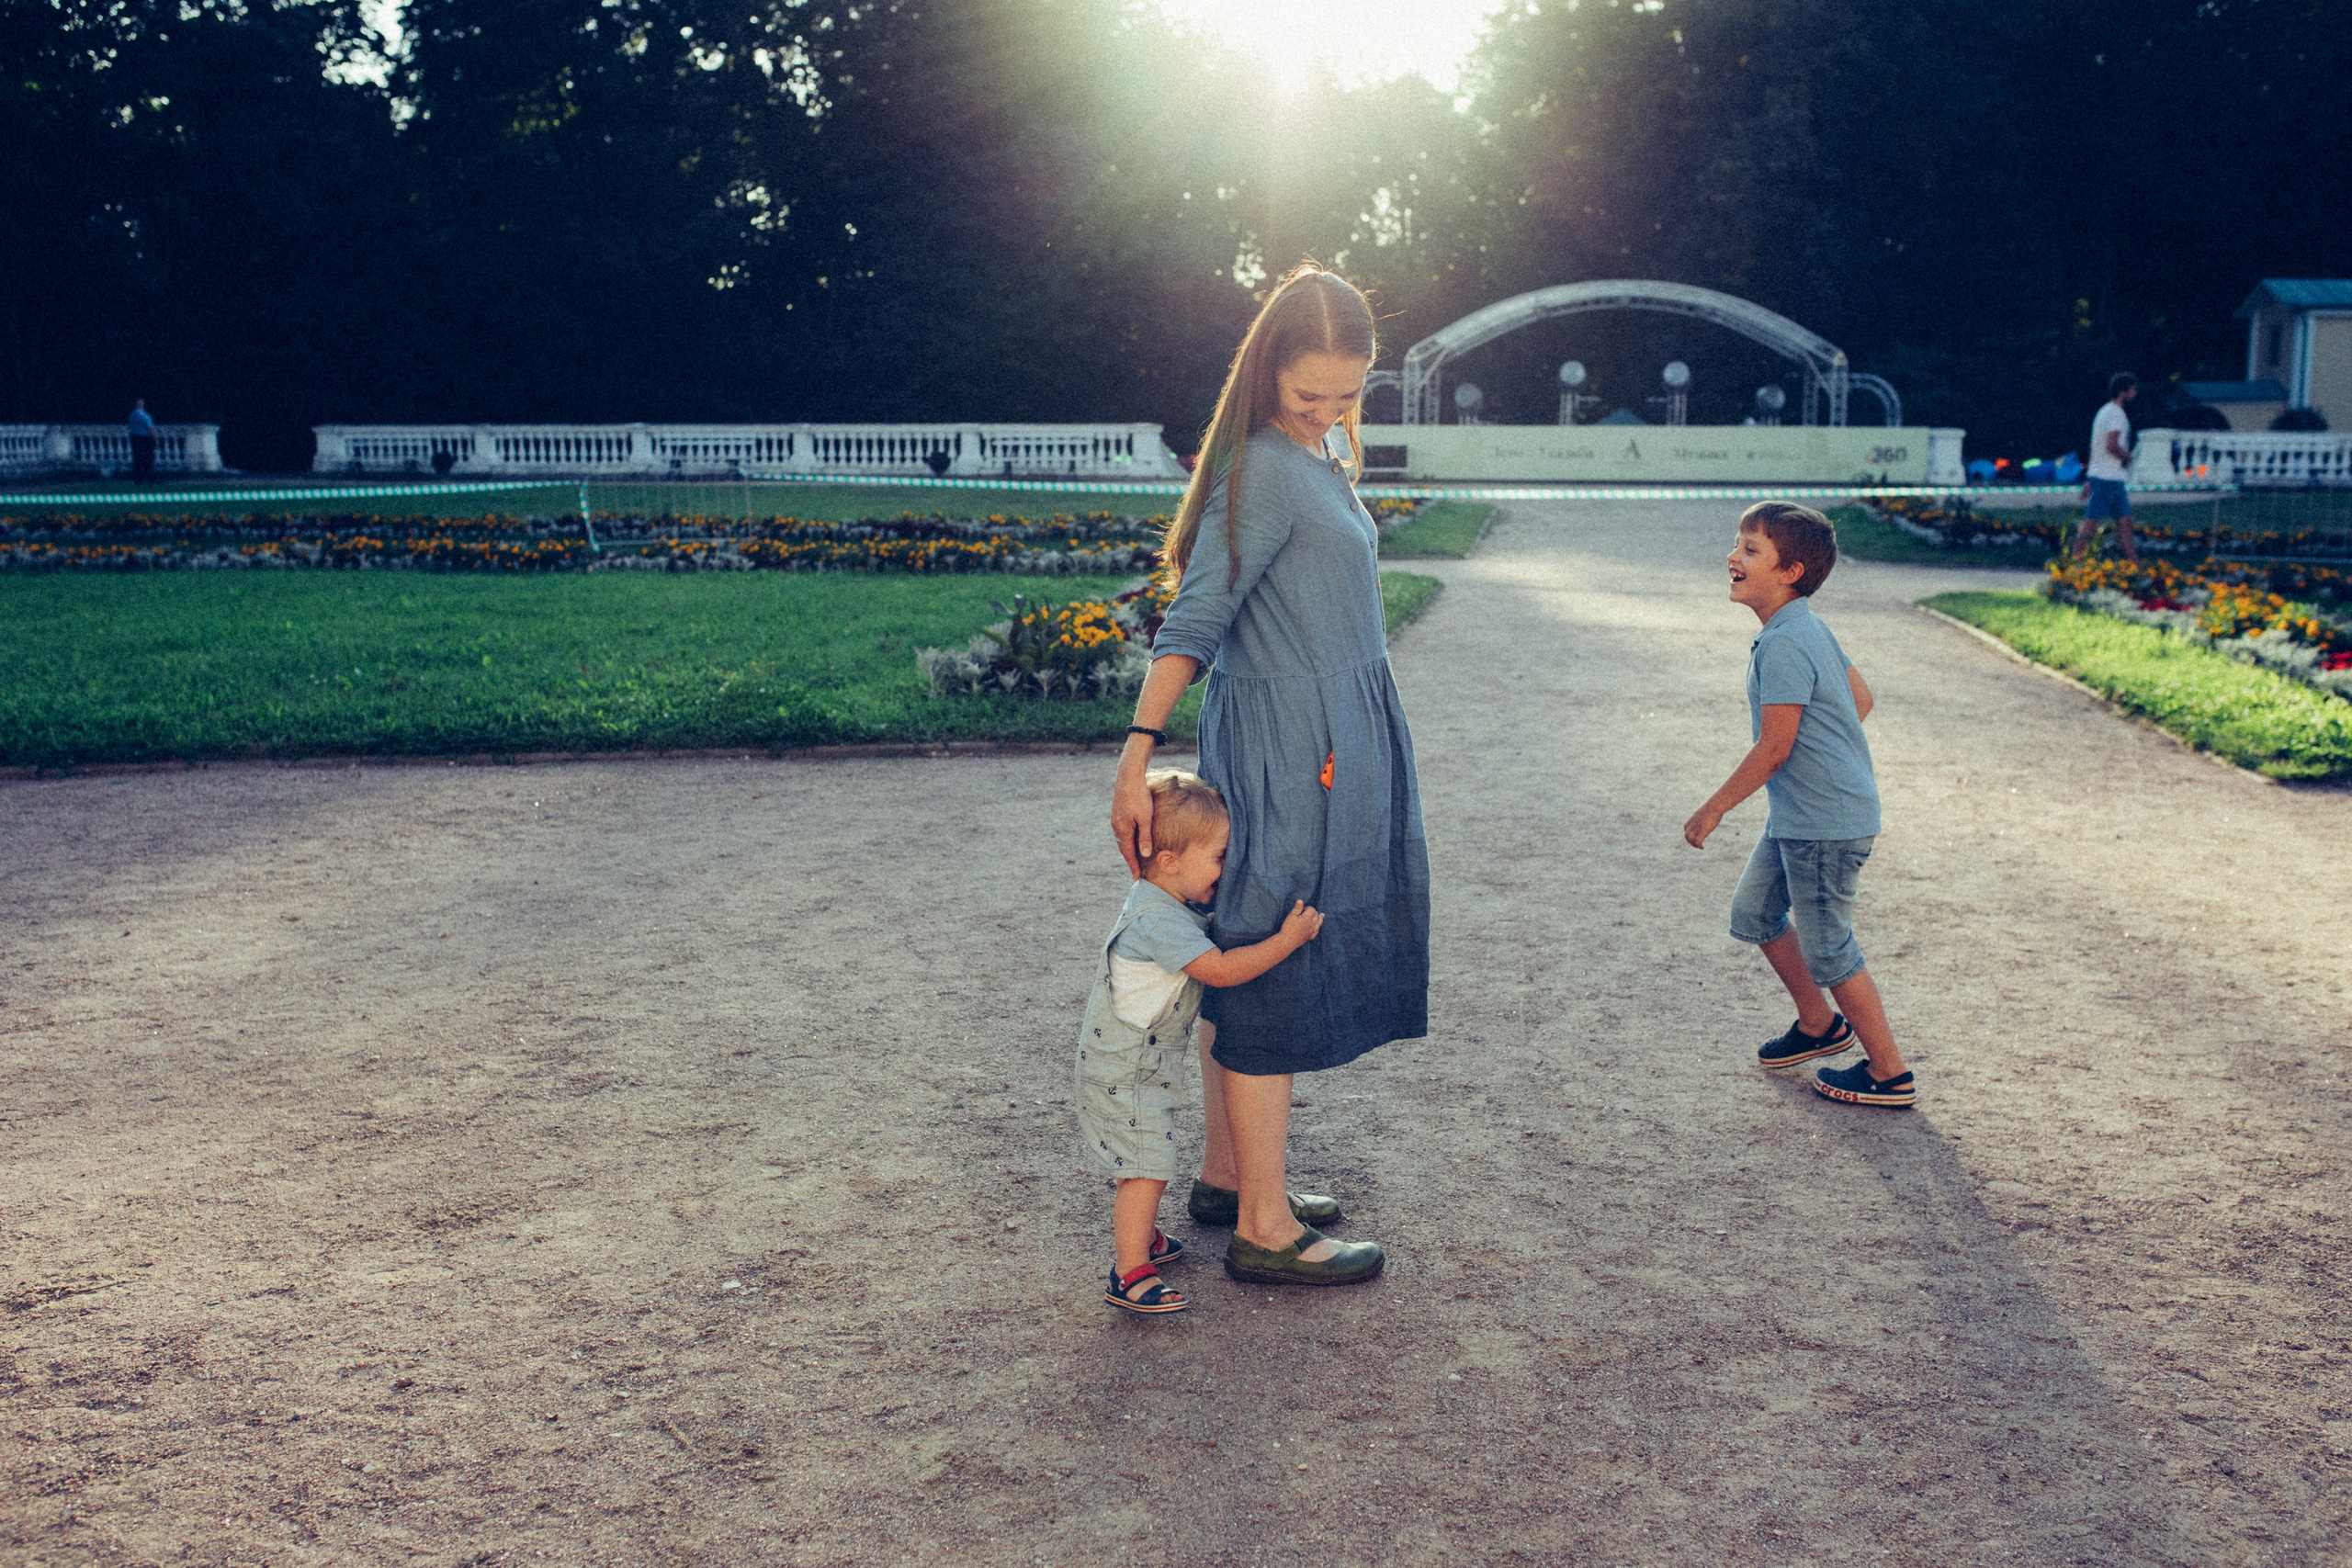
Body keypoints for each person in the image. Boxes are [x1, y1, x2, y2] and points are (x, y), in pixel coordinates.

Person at [1110, 262, 1425, 1289]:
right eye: (1309, 397)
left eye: (1348, 395)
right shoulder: (1259, 469)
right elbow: (1195, 616)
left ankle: (1224, 1174)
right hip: (1294, 744)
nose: (1331, 414)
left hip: (1322, 729)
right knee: (1273, 952)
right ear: (1266, 377)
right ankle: (1262, 1225)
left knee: (1258, 938)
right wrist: (1136, 750)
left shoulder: (1308, 456)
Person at [1682, 502, 1915, 1109]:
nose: (1733, 557)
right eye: (1737, 545)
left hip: (1824, 824)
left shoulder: (1787, 642)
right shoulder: (1803, 626)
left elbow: (1776, 746)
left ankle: (1890, 1072)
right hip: (1806, 817)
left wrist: (1715, 807)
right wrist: (1830, 754)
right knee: (1754, 911)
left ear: (1791, 571)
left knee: (1829, 946)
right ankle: (1820, 1023)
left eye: (1750, 549)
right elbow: (1858, 698)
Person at [1080, 771, 1327, 1314]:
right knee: (1146, 1164)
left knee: (1149, 1156)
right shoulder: (1158, 923)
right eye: (1217, 857)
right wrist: (1287, 939)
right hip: (1127, 1073)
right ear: (1170, 861)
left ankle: (1142, 1238)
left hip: (1133, 1065)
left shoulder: (1161, 902)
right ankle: (1129, 1272)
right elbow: (1219, 970)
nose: (1224, 868)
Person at [2073, 373, 2139, 562]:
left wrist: (2089, 477)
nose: (2135, 393)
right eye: (2132, 389)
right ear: (2123, 391)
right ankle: (2075, 563)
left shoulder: (2104, 412)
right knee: (2091, 524)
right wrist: (2127, 457)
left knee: (2125, 523)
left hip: (2109, 477)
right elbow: (2111, 445)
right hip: (2107, 478)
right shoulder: (2116, 414)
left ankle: (2134, 566)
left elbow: (2096, 447)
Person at [126, 399, 156, 482]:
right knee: (147, 459)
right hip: (144, 438)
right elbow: (151, 428)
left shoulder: (132, 415)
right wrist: (155, 440)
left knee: (137, 459)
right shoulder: (145, 415)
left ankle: (138, 478)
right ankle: (149, 477)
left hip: (135, 438)